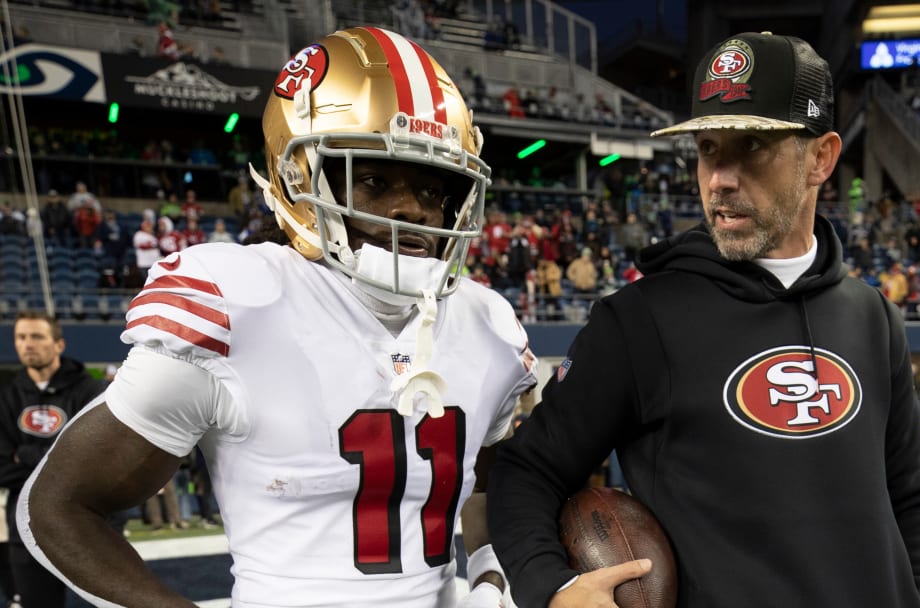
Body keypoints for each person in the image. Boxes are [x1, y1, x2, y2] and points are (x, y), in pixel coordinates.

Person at [17, 26, 535, 608]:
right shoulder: (241, 301)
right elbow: (58, 506)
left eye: (434, 187)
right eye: (373, 179)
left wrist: (491, 576)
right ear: (297, 177)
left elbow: (490, 490)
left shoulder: (488, 323)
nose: (412, 208)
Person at [487, 32, 920, 608]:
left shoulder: (874, 317)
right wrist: (553, 588)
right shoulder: (638, 321)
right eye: (707, 148)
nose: (719, 178)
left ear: (820, 159)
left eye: (751, 145)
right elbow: (525, 472)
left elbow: (913, 496)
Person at [0, 312, 108, 608]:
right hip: (26, 529)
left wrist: (24, 453)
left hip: (91, 526)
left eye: (37, 336)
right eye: (21, 337)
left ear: (59, 344)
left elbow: (96, 459)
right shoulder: (6, 399)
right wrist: (62, 456)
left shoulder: (92, 392)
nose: (27, 344)